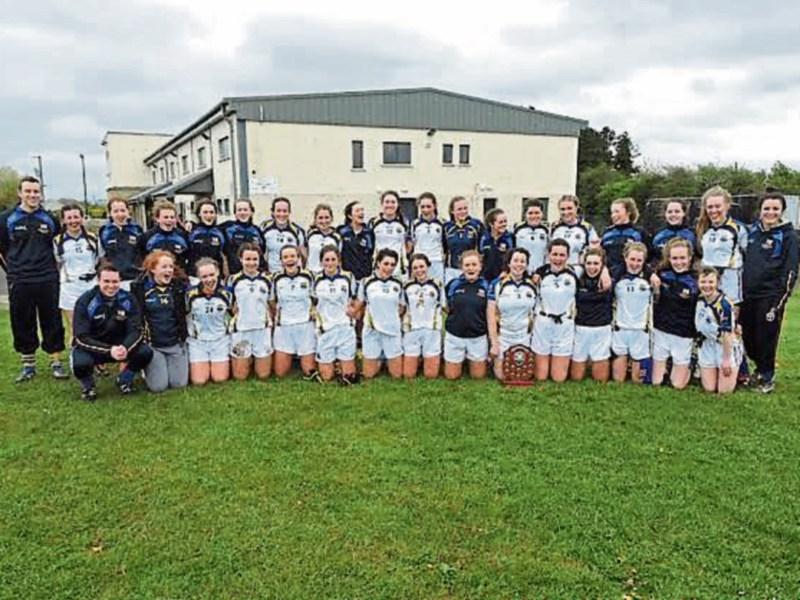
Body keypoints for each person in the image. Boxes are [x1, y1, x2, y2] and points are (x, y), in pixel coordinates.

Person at [0, 175, 68, 382]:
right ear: (20, 193)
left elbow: (58, 246)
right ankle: (28, 365)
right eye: (28, 191)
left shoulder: (49, 219)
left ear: (41, 193)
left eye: (36, 191)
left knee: (52, 320)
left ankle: (56, 362)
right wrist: (12, 270)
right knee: (22, 321)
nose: (32, 195)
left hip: (47, 277)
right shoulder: (5, 219)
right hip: (20, 279)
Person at [740, 192, 799, 393]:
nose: (770, 212)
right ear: (760, 210)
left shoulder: (789, 236)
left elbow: (790, 270)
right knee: (748, 336)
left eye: (775, 208)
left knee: (766, 336)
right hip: (747, 295)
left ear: (782, 211)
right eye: (767, 208)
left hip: (770, 296)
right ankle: (759, 368)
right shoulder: (752, 233)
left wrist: (781, 297)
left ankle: (767, 377)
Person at [71, 262, 153, 401]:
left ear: (120, 280)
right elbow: (81, 337)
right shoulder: (85, 300)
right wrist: (109, 350)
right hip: (95, 348)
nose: (111, 285)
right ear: (98, 281)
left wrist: (125, 348)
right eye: (106, 281)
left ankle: (124, 380)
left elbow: (137, 330)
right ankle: (88, 387)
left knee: (145, 352)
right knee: (80, 363)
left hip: (121, 347)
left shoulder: (128, 298)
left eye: (115, 281)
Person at [131, 250, 189, 393]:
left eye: (171, 267)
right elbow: (135, 319)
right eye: (164, 267)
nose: (169, 270)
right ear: (152, 269)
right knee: (158, 387)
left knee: (179, 384)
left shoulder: (178, 287)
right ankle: (148, 368)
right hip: (154, 346)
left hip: (175, 344)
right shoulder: (141, 289)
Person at [651, 238, 698, 389]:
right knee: (656, 382)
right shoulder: (661, 273)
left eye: (682, 258)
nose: (679, 262)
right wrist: (651, 275)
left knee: (677, 385)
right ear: (668, 258)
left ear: (690, 257)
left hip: (683, 333)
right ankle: (666, 367)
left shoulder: (696, 279)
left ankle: (690, 363)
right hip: (661, 330)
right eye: (675, 258)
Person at [532, 239, 578, 382]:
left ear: (568, 256)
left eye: (562, 255)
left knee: (558, 378)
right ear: (548, 255)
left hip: (564, 324)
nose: (558, 258)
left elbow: (597, 266)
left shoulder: (576, 273)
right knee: (541, 377)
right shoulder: (538, 275)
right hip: (543, 323)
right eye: (555, 254)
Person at [487, 248, 537, 380]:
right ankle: (492, 359)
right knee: (502, 376)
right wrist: (494, 343)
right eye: (515, 260)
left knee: (524, 375)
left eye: (523, 261)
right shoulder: (497, 284)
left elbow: (535, 314)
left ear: (527, 265)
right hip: (503, 335)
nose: (519, 264)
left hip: (524, 336)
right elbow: (491, 315)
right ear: (508, 263)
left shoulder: (533, 285)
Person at [312, 245, 359, 383]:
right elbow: (312, 301)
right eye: (326, 260)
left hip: (345, 327)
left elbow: (355, 299)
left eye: (333, 259)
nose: (330, 263)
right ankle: (332, 366)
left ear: (339, 261)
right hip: (325, 329)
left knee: (349, 376)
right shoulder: (315, 279)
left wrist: (354, 312)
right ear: (321, 262)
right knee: (327, 377)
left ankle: (342, 365)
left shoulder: (348, 277)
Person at [356, 248, 405, 379]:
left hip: (392, 331)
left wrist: (391, 318)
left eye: (393, 264)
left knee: (397, 375)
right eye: (386, 263)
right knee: (368, 375)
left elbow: (402, 307)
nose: (389, 267)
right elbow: (359, 305)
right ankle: (379, 359)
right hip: (372, 331)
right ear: (378, 263)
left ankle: (386, 359)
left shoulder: (398, 283)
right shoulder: (366, 282)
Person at [696, 185, 748, 305]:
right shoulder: (703, 230)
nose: (714, 210)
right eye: (710, 207)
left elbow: (747, 256)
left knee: (729, 322)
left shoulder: (739, 229)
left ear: (727, 205)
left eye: (717, 206)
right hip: (708, 287)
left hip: (730, 288)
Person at [54, 204, 101, 337]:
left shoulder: (93, 238)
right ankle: (75, 355)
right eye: (69, 218)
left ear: (82, 218)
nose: (73, 221)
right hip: (70, 287)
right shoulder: (57, 241)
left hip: (91, 285)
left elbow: (98, 260)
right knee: (75, 326)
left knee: (95, 323)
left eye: (76, 217)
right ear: (63, 221)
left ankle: (96, 354)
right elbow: (57, 263)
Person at [270, 245, 317, 378]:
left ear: (298, 258)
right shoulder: (275, 278)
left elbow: (315, 299)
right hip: (284, 327)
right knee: (280, 373)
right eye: (285, 257)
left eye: (292, 256)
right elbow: (272, 301)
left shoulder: (309, 276)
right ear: (281, 260)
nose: (289, 260)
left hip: (305, 326)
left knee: (309, 372)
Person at [228, 243, 273, 381]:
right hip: (242, 329)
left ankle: (256, 358)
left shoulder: (267, 279)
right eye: (247, 259)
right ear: (240, 259)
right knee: (240, 376)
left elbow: (271, 303)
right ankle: (245, 359)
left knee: (263, 375)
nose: (251, 263)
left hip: (261, 329)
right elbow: (230, 305)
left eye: (255, 259)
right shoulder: (233, 280)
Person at [695, 266, 743, 394]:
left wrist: (726, 360)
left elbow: (727, 334)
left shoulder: (724, 304)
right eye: (703, 282)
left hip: (725, 346)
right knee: (709, 388)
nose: (707, 286)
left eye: (711, 282)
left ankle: (738, 368)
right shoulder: (699, 299)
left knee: (724, 391)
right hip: (707, 345)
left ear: (718, 283)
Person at [443, 250, 489, 380]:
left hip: (478, 336)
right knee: (451, 376)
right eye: (467, 265)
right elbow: (446, 307)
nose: (471, 268)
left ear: (480, 267)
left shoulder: (486, 286)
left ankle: (472, 360)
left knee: (478, 376)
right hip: (455, 336)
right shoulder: (453, 284)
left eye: (474, 265)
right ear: (461, 267)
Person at [610, 241, 653, 383]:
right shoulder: (616, 276)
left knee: (637, 381)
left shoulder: (650, 278)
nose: (635, 263)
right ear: (625, 258)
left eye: (639, 260)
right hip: (620, 328)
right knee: (618, 380)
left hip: (640, 330)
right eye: (632, 259)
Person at [186, 258, 232, 385]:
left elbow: (233, 314)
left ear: (218, 272)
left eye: (212, 275)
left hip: (220, 340)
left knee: (219, 378)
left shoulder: (227, 293)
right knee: (199, 381)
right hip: (198, 342)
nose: (209, 279)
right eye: (204, 276)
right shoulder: (190, 294)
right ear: (198, 277)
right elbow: (185, 314)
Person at [571, 247, 613, 382]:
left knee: (600, 379)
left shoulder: (610, 279)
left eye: (596, 263)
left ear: (602, 264)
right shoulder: (578, 278)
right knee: (576, 377)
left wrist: (605, 271)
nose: (592, 267)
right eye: (589, 263)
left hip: (602, 328)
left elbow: (627, 266)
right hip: (581, 328)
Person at [402, 253, 445, 379]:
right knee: (409, 375)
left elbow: (444, 306)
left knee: (430, 375)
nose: (419, 270)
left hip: (431, 330)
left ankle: (428, 359)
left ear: (428, 266)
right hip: (411, 329)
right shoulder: (406, 285)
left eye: (422, 266)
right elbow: (402, 307)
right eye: (415, 268)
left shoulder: (438, 284)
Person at [98, 197, 144, 289]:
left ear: (128, 211)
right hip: (114, 281)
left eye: (123, 210)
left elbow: (143, 253)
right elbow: (101, 255)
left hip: (135, 279)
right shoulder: (104, 231)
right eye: (116, 211)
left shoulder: (137, 229)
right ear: (110, 213)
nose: (120, 214)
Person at [601, 198, 650, 272]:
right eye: (612, 212)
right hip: (610, 275)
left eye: (617, 211)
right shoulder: (607, 233)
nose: (613, 215)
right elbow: (601, 256)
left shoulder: (639, 232)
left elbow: (649, 256)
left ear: (628, 212)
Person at [139, 200, 190, 272]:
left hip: (178, 277)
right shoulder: (147, 237)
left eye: (172, 217)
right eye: (166, 217)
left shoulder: (183, 235)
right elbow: (142, 259)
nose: (169, 220)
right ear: (157, 218)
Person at [550, 195, 599, 267]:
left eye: (569, 208)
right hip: (557, 271)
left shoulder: (587, 228)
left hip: (578, 271)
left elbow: (595, 252)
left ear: (576, 208)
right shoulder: (554, 227)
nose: (566, 212)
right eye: (562, 209)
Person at [443, 196, 484, 284]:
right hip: (452, 269)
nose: (463, 212)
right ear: (452, 211)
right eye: (459, 209)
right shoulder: (447, 227)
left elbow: (481, 249)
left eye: (465, 208)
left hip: (471, 269)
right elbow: (444, 248)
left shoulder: (476, 225)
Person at [369, 191, 410, 277]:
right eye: (387, 202)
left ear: (398, 204)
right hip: (379, 268)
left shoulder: (404, 223)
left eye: (393, 202)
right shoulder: (373, 222)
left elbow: (408, 246)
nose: (390, 205)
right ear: (382, 204)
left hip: (398, 268)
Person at [261, 197, 306, 273]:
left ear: (289, 212)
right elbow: (262, 255)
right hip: (272, 274)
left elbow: (303, 256)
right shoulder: (264, 229)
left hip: (291, 275)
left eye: (285, 211)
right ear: (272, 212)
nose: (282, 214)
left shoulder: (297, 231)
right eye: (278, 211)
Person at [222, 198, 265, 275]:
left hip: (255, 274)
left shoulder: (257, 230)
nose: (242, 213)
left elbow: (262, 251)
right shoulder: (227, 228)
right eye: (239, 210)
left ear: (251, 212)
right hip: (235, 274)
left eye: (245, 210)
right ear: (235, 213)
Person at [410, 192, 446, 283]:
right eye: (422, 207)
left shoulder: (442, 223)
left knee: (438, 287)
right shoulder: (414, 224)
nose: (425, 209)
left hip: (436, 261)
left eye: (428, 206)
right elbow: (411, 243)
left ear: (435, 206)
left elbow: (445, 244)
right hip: (419, 262)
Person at [187, 198, 227, 277]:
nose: (208, 215)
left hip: (215, 275)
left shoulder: (221, 231)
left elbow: (227, 255)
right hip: (195, 276)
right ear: (199, 214)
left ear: (215, 214)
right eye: (205, 212)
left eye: (211, 212)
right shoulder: (192, 230)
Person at [650, 199, 696, 265]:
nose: (673, 214)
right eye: (670, 212)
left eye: (677, 211)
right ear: (665, 214)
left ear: (684, 213)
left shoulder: (692, 234)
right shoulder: (657, 234)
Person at [338, 201, 375, 281]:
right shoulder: (342, 232)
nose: (361, 213)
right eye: (357, 210)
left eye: (362, 210)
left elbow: (372, 253)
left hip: (365, 276)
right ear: (350, 215)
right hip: (347, 276)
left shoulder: (369, 233)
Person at [479, 208, 515, 282]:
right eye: (500, 222)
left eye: (505, 221)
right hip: (485, 278)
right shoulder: (483, 238)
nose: (504, 224)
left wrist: (506, 271)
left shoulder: (510, 237)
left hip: (503, 277)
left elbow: (512, 257)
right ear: (491, 224)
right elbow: (480, 256)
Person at [514, 200, 549, 274]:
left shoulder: (547, 231)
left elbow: (548, 254)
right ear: (525, 214)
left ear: (542, 214)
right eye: (530, 213)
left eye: (537, 213)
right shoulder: (517, 230)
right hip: (521, 272)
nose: (534, 216)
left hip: (541, 273)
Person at [306, 204, 342, 275]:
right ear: (315, 219)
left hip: (328, 275)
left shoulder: (337, 237)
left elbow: (339, 259)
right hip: (312, 273)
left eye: (327, 217)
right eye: (320, 218)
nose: (324, 221)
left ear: (331, 219)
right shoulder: (310, 234)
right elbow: (305, 254)